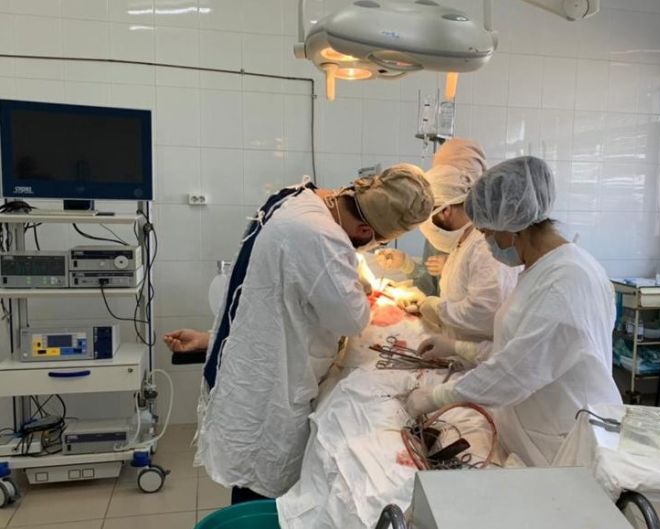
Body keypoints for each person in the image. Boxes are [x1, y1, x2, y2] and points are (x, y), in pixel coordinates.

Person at [165, 165, 433, 503]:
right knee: (260, 488)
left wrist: (212, 340)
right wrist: (358, 285)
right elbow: (352, 320)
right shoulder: (320, 236)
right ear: (365, 229)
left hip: (252, 371)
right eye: (375, 241)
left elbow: (264, 300)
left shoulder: (296, 198)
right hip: (269, 393)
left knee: (252, 478)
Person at [406, 156, 622, 466]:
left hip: (565, 446)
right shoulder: (541, 270)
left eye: (487, 234)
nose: (488, 243)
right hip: (535, 433)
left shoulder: (566, 281)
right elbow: (518, 350)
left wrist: (435, 397)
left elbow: (515, 372)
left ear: (511, 225)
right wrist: (457, 347)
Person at [378, 139, 519, 362]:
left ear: (445, 211)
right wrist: (427, 303)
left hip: (480, 361)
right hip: (461, 355)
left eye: (428, 214)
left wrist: (435, 308)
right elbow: (457, 297)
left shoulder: (485, 245)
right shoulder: (461, 241)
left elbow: (484, 315)